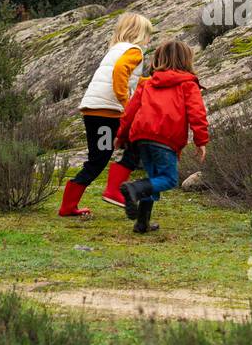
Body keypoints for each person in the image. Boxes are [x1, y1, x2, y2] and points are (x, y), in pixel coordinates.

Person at [57, 12, 152, 217]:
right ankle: (112, 191)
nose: (149, 39)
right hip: (107, 114)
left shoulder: (116, 50)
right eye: (148, 34)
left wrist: (149, 83)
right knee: (101, 159)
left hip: (96, 111)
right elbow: (119, 73)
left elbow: (129, 79)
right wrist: (125, 101)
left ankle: (70, 205)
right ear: (140, 34)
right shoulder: (135, 51)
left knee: (120, 149)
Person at [114, 39, 209, 234]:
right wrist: (201, 140)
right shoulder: (188, 84)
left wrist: (121, 136)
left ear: (159, 59)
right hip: (165, 138)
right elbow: (197, 112)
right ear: (186, 60)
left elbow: (130, 112)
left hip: (141, 137)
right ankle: (134, 189)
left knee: (153, 179)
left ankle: (142, 223)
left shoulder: (147, 84)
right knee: (168, 179)